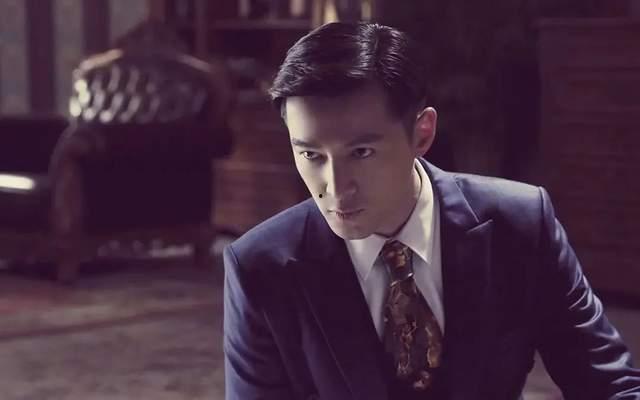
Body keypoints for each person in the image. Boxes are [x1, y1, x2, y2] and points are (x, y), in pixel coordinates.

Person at [222, 21, 640, 400]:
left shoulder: (521, 224)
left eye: (361, 152)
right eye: (311, 155)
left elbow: (612, 386)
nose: (335, 186)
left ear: (422, 133)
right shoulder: (261, 266)